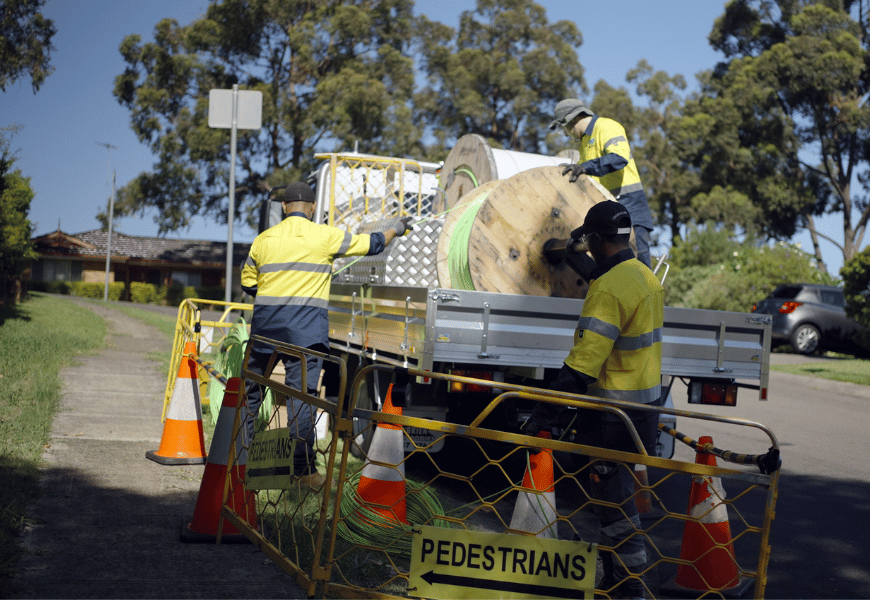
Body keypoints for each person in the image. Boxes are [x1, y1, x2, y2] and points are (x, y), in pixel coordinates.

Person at [523, 200, 663, 599]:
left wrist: (542, 410)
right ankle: (616, 576)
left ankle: (632, 586)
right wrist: (574, 256)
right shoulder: (644, 277)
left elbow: (582, 367)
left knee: (614, 504)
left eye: (590, 240)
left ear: (598, 239)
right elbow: (608, 276)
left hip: (610, 414)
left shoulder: (607, 291)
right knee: (614, 500)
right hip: (643, 410)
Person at [240, 182, 412, 484]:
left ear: (283, 207)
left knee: (251, 393)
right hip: (304, 333)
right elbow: (372, 244)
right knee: (302, 399)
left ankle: (239, 458)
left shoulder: (262, 241)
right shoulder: (325, 236)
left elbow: (248, 284)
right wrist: (396, 228)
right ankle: (302, 472)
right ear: (311, 207)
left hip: (265, 329)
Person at [550, 99, 655, 268]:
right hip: (608, 207)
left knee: (638, 260)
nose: (566, 133)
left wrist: (584, 167)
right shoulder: (585, 142)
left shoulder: (606, 127)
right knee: (613, 264)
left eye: (564, 128)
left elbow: (619, 158)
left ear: (573, 119)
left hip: (630, 203)